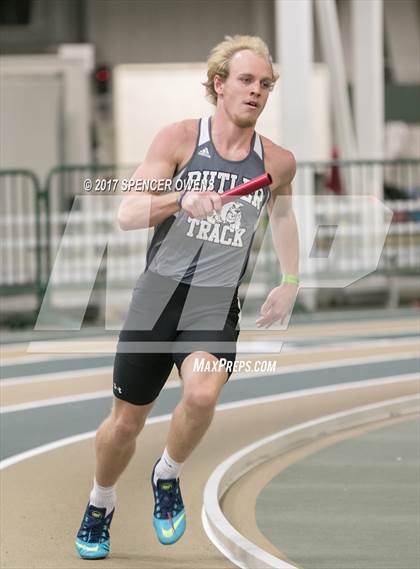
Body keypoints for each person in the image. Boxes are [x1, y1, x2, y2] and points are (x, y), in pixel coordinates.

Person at [75, 34, 299, 559]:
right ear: (219, 84)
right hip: (157, 301)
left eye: (265, 84)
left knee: (201, 395)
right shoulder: (178, 139)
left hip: (214, 304)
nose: (256, 91)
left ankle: (168, 474)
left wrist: (290, 281)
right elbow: (127, 212)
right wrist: (180, 197)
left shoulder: (278, 161)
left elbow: (283, 216)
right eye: (246, 80)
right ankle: (100, 501)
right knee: (124, 424)